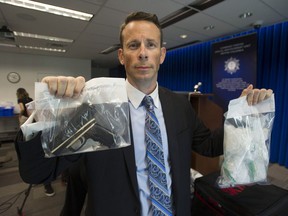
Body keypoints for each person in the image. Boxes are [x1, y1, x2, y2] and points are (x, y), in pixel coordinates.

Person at [14, 11, 273, 216]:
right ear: (122, 56)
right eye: (133, 45)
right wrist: (50, 115)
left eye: (151, 45)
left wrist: (242, 114)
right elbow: (37, 173)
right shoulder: (97, 107)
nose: (142, 53)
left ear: (161, 55)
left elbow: (207, 145)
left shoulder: (179, 105)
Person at [16, 87, 55, 197]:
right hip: (41, 125)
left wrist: (21, 116)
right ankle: (48, 182)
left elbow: (23, 110)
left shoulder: (21, 100)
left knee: (43, 153)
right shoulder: (30, 99)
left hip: (34, 123)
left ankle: (47, 182)